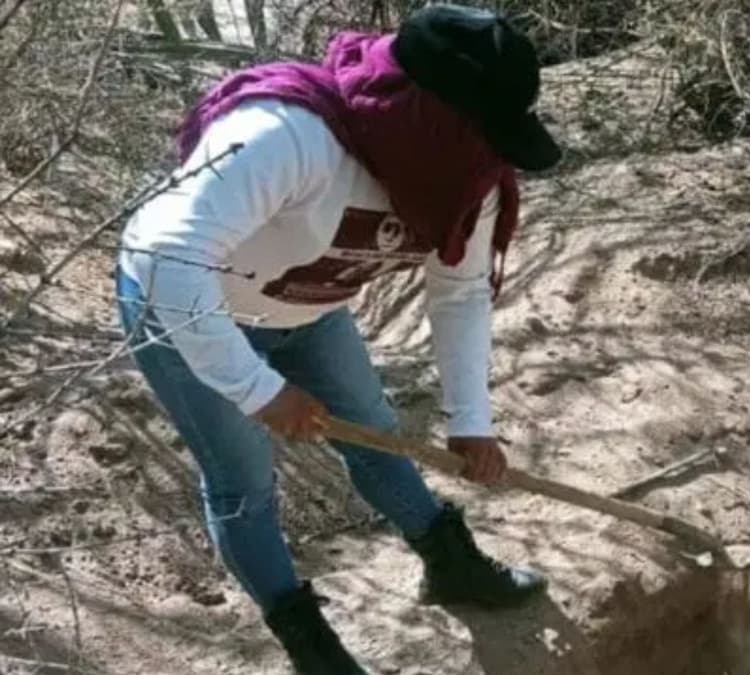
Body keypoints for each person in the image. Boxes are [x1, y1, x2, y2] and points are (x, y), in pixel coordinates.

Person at [113, 5, 561, 673]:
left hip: (309, 311)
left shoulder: (467, 178)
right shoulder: (287, 133)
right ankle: (313, 649)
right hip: (182, 312)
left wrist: (471, 420)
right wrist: (257, 389)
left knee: (375, 430)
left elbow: (461, 291)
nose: (493, 162)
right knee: (244, 481)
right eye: (485, 138)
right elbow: (165, 256)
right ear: (431, 119)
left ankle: (451, 565)